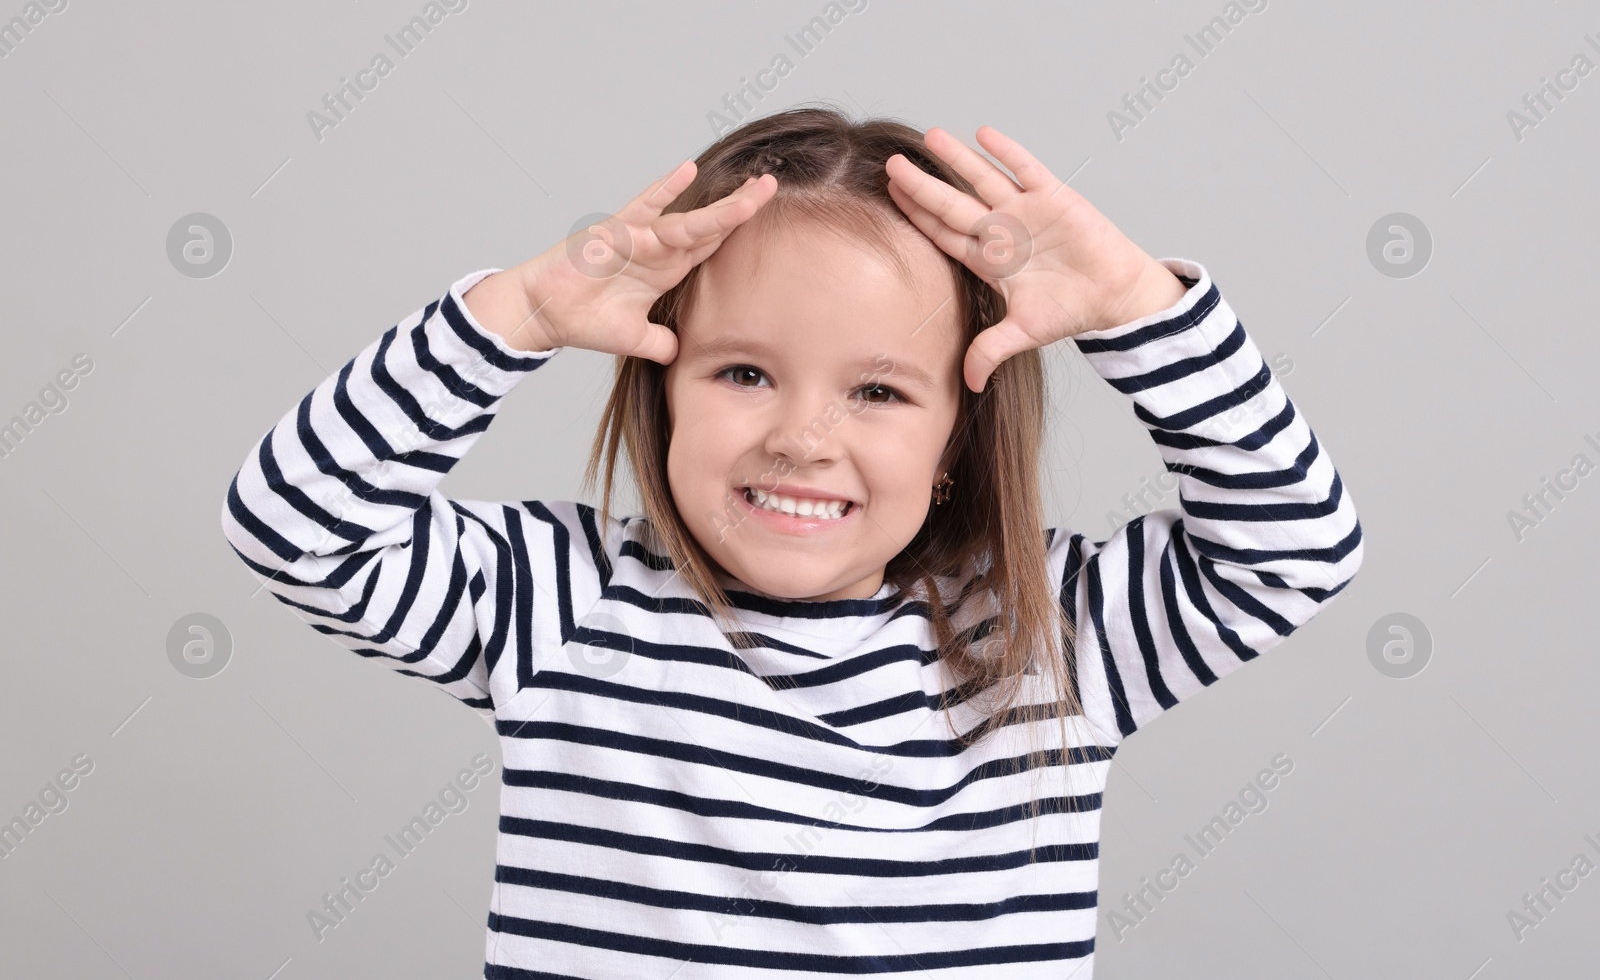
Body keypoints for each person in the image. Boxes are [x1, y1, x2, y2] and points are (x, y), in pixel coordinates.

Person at [221, 105, 1364, 978]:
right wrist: (513, 318)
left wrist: (1140, 309)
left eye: (876, 390)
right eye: (745, 372)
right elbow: (295, 519)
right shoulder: (565, 604)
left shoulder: (1046, 632)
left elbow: (1295, 548)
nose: (802, 437)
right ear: (664, 388)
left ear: (958, 436)